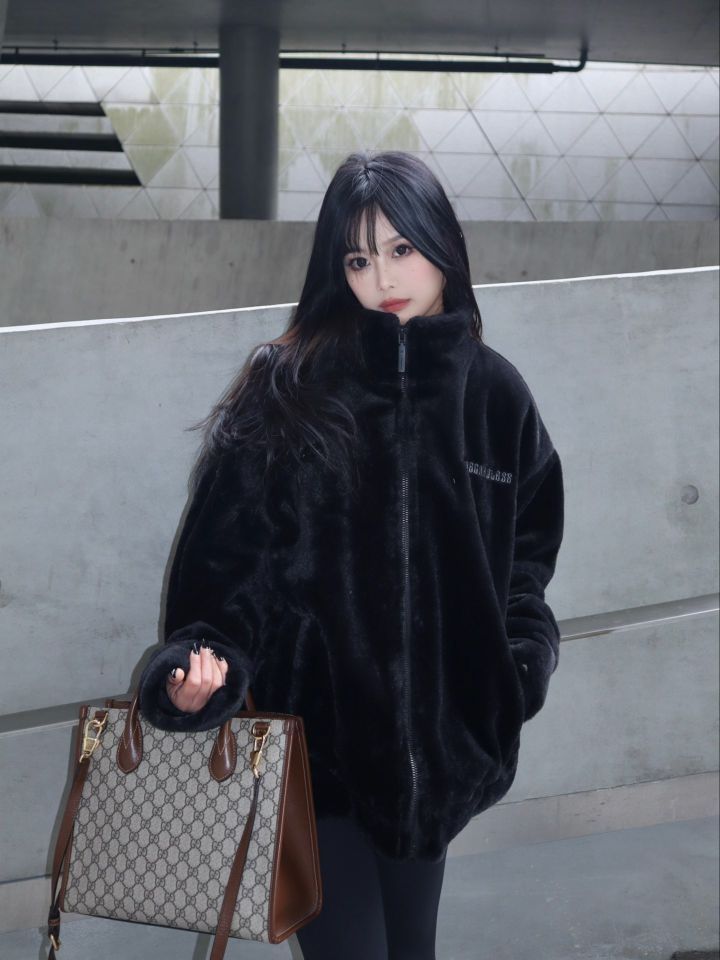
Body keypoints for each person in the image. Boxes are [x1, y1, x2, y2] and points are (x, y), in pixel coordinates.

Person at [137, 150, 565, 959]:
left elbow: (525, 567)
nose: (383, 278)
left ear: (443, 244)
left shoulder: (495, 395)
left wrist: (511, 675)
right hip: (317, 761)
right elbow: (221, 573)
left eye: (401, 249)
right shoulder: (287, 388)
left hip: (440, 767)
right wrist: (197, 666)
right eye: (358, 259)